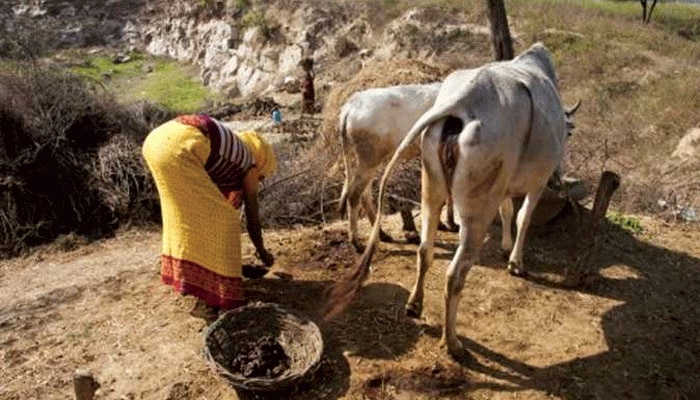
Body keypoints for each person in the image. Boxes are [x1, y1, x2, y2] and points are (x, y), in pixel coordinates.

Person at [142, 114, 277, 320]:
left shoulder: (232, 150)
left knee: (187, 219)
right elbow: (252, 219)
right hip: (178, 149)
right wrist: (262, 252)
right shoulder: (250, 165)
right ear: (261, 159)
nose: (259, 179)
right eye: (262, 175)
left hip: (154, 142)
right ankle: (211, 301)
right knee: (226, 221)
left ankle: (193, 280)